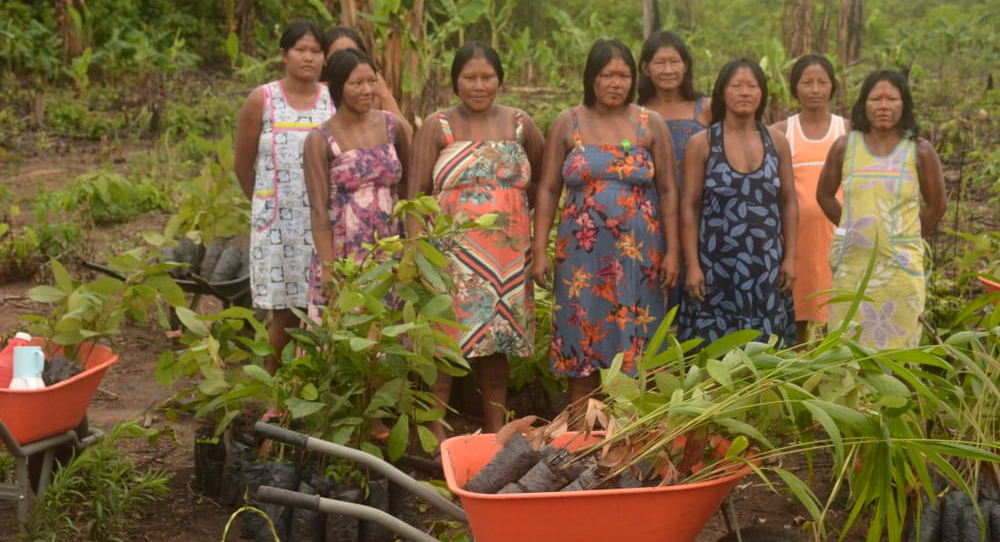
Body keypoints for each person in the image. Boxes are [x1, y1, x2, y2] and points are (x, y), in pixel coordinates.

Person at [532, 38, 680, 405]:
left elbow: (670, 192)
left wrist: (674, 251)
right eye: (607, 75)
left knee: (638, 340)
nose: (616, 83)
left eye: (624, 75)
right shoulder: (568, 123)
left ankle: (632, 432)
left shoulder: (651, 123)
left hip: (640, 258)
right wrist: (538, 251)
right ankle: (583, 432)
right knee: (582, 336)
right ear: (591, 78)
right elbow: (548, 190)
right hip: (582, 258)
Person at [408, 42, 544, 439]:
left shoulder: (521, 124)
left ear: (500, 79)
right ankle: (435, 436)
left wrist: (512, 221)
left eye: (487, 77)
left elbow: (538, 185)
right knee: (443, 346)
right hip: (450, 258)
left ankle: (495, 432)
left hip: (506, 257)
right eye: (470, 77)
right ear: (455, 81)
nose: (479, 85)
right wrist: (418, 254)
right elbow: (415, 196)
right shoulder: (438, 127)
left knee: (496, 349)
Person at [817, 69, 946, 349]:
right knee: (848, 349)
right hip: (853, 267)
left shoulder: (919, 151)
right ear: (864, 104)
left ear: (904, 104)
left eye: (892, 99)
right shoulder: (845, 147)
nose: (884, 106)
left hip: (900, 271)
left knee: (900, 352)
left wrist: (906, 236)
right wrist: (852, 229)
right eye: (876, 99)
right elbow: (824, 195)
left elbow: (937, 206)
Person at [678, 58, 798, 348]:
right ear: (722, 92)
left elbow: (789, 202)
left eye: (752, 86)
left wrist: (790, 258)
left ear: (762, 93)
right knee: (713, 356)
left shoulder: (777, 142)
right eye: (736, 86)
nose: (745, 92)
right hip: (716, 267)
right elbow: (689, 207)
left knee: (766, 355)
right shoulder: (702, 143)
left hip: (765, 264)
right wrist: (692, 265)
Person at [235, 20, 332, 375]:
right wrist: (266, 205)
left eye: (315, 51)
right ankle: (276, 392)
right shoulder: (262, 99)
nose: (308, 57)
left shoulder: (332, 100)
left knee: (322, 308)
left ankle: (318, 386)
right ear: (284, 55)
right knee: (284, 313)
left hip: (324, 222)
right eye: (300, 50)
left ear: (324, 57)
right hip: (278, 226)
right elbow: (243, 164)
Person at [303, 47, 410, 320]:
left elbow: (410, 189)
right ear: (337, 87)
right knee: (351, 329)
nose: (367, 90)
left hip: (390, 246)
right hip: (347, 250)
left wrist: (412, 247)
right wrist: (328, 267)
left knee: (391, 330)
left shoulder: (392, 126)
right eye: (357, 83)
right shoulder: (320, 140)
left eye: (372, 81)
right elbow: (318, 209)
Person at [771, 54, 850, 344]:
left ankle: (832, 369)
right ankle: (798, 371)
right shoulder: (781, 131)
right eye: (807, 82)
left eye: (822, 82)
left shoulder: (848, 130)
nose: (815, 89)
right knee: (798, 309)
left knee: (836, 306)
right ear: (795, 88)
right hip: (794, 239)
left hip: (836, 236)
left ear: (833, 87)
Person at [636, 30, 712, 313]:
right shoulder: (635, 112)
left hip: (701, 217)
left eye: (674, 62)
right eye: (659, 63)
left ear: (686, 65)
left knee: (700, 295)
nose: (668, 70)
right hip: (651, 219)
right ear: (645, 68)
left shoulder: (706, 109)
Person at [325, 26, 404, 119]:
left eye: (352, 53)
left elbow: (403, 131)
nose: (345, 60)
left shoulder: (370, 96)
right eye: (338, 55)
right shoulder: (316, 92)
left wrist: (384, 94)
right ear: (324, 60)